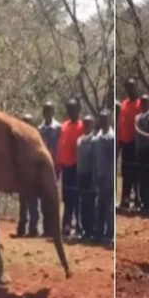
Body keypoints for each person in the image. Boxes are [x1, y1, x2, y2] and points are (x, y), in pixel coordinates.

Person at [57, 98, 84, 237]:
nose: (71, 112)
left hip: (77, 168)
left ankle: (79, 227)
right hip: (66, 169)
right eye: (69, 109)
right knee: (67, 200)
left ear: (79, 110)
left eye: (73, 109)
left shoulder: (83, 126)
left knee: (78, 199)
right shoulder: (63, 126)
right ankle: (66, 226)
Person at [117, 79, 142, 210]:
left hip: (136, 143)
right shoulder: (124, 104)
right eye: (127, 87)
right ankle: (125, 200)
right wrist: (119, 144)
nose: (129, 90)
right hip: (125, 143)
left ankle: (138, 200)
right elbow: (120, 125)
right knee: (126, 173)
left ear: (136, 87)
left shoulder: (140, 104)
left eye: (132, 87)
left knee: (136, 174)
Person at [17, 113, 39, 237]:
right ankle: (21, 228)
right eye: (24, 122)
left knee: (32, 203)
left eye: (28, 122)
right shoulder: (18, 138)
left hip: (32, 175)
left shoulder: (34, 138)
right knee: (23, 203)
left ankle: (33, 228)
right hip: (21, 174)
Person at [95, 110, 115, 244]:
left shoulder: (111, 137)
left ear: (109, 120)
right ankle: (99, 233)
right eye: (101, 119)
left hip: (108, 177)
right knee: (99, 205)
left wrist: (111, 179)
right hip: (99, 175)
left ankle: (109, 234)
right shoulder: (98, 135)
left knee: (109, 206)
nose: (102, 122)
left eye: (105, 119)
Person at [76, 115, 96, 240]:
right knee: (82, 204)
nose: (86, 126)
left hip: (91, 175)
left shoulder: (95, 139)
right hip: (81, 175)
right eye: (85, 123)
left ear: (93, 125)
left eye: (89, 123)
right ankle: (83, 229)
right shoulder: (79, 140)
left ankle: (91, 230)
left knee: (91, 203)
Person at [135, 95, 149, 212]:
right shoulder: (137, 117)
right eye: (142, 103)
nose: (144, 105)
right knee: (141, 177)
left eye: (146, 103)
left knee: (148, 177)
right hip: (139, 149)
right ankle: (142, 201)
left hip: (148, 149)